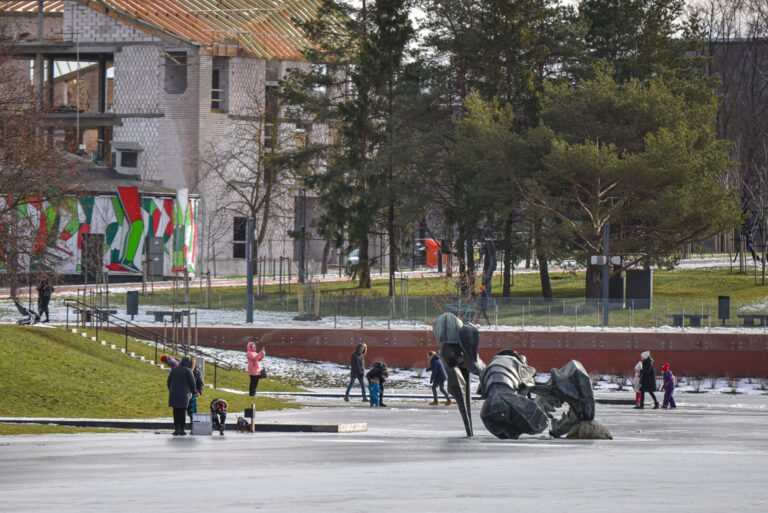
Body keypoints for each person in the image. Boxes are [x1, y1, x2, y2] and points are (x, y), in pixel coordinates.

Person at [167, 356, 197, 435]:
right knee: (182, 412)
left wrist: (171, 390)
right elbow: (192, 383)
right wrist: (194, 391)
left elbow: (168, 381)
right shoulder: (188, 371)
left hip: (174, 394)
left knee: (175, 412)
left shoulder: (174, 369)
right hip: (184, 395)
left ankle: (176, 430)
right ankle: (182, 430)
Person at [187, 357, 204, 431]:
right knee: (191, 411)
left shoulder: (197, 372)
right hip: (186, 393)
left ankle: (194, 427)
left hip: (192, 394)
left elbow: (200, 383)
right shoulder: (187, 371)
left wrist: (199, 391)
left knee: (193, 412)